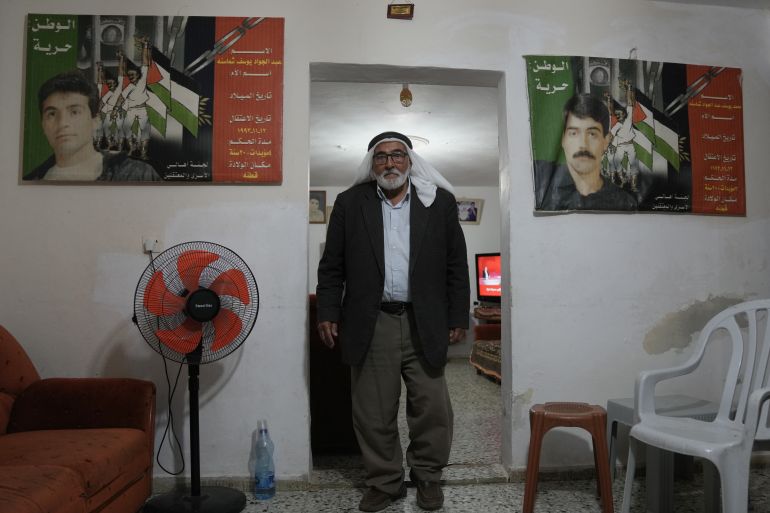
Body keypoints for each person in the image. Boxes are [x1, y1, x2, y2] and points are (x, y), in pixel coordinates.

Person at [316, 131, 469, 512]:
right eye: (381, 157)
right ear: (372, 164)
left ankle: (428, 476)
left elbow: (456, 265)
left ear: (410, 161)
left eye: (397, 156)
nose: (390, 163)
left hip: (425, 320)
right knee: (373, 410)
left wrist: (457, 315)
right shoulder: (351, 204)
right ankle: (385, 483)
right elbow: (332, 267)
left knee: (432, 407)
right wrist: (327, 311)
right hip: (371, 322)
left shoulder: (440, 203)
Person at [26, 70, 160, 181]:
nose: (62, 123)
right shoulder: (32, 181)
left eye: (74, 112)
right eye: (52, 114)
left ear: (95, 120)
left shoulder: (137, 174)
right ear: (43, 124)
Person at [535, 94, 637, 211]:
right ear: (562, 140)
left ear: (606, 141)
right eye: (573, 133)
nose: (583, 144)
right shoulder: (539, 183)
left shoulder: (624, 203)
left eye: (592, 134)